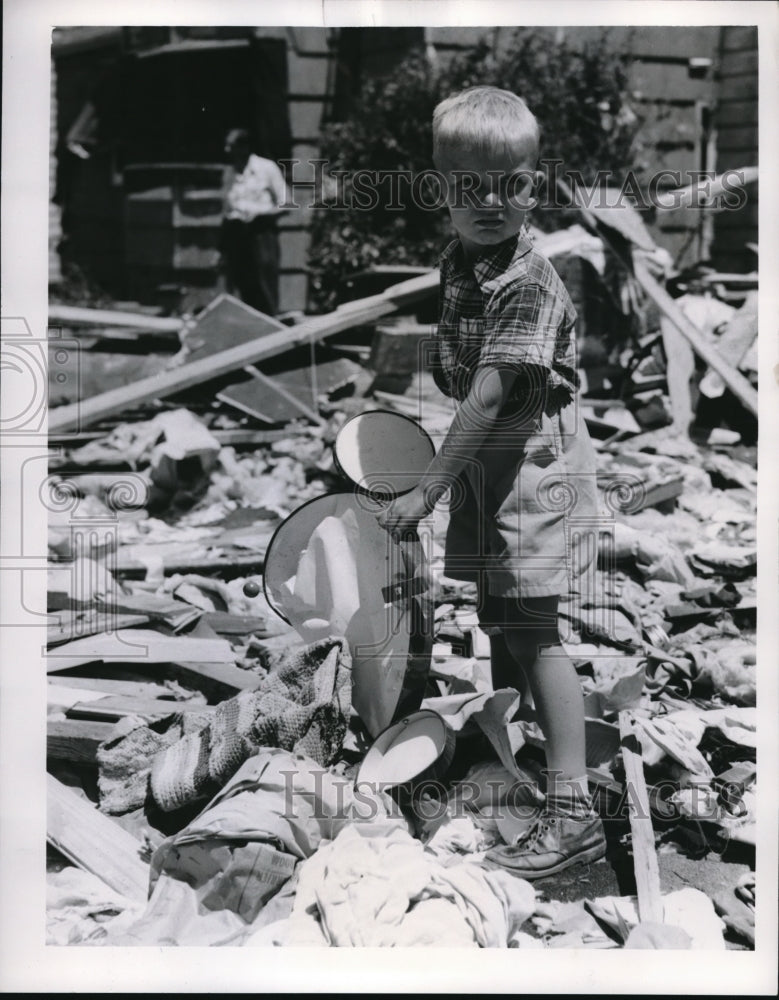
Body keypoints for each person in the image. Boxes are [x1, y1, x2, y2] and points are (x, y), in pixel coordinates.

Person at [377, 86, 606, 878]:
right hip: (492, 461)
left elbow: (487, 399)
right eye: (467, 186)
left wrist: (424, 493)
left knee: (535, 631)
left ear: (533, 185)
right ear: (440, 189)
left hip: (530, 458)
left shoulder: (527, 281)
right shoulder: (462, 259)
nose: (489, 202)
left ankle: (573, 815)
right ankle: (518, 768)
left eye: (508, 184)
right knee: (500, 617)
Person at [220, 128, 290, 315]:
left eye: (232, 146)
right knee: (243, 286)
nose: (227, 151)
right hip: (237, 235)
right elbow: (226, 210)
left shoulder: (266, 168)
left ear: (245, 147)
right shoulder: (229, 173)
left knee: (265, 285)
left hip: (261, 233)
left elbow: (286, 204)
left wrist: (262, 215)